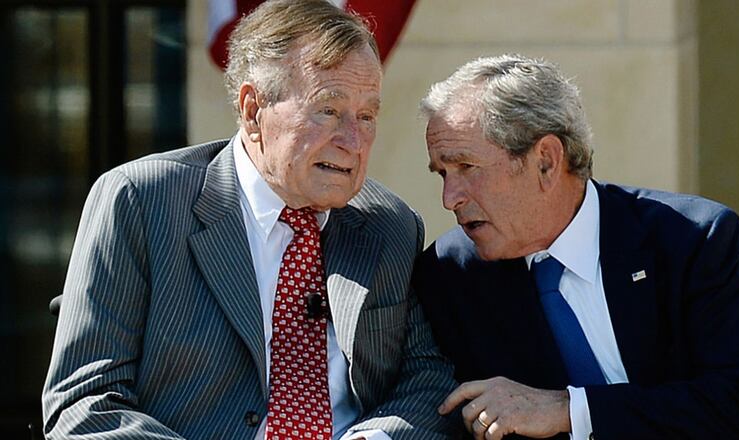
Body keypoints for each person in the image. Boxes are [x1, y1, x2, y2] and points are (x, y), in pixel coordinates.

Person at [41, 1, 459, 439]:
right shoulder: (142, 202)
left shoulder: (388, 225)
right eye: (328, 110)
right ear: (253, 109)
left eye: (367, 116)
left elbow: (427, 378)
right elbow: (84, 401)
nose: (354, 141)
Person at [413, 54, 739, 440]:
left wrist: (571, 411)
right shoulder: (448, 275)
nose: (449, 198)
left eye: (466, 167)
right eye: (442, 174)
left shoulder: (690, 241)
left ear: (546, 161)